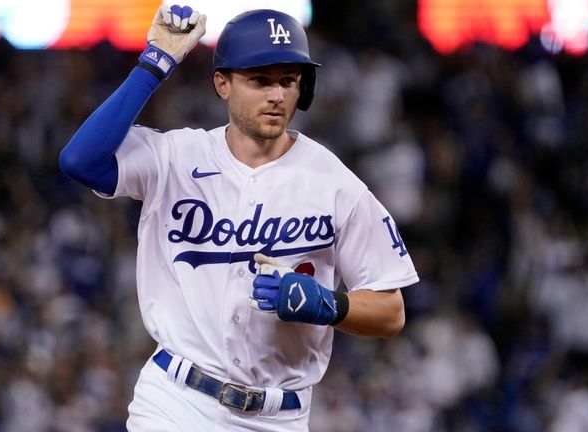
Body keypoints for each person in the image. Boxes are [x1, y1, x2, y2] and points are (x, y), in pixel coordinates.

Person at [59, 4, 419, 431]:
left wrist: (330, 305)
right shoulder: (175, 157)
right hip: (176, 402)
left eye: (288, 80)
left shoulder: (337, 186)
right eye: (259, 80)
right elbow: (80, 160)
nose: (277, 94)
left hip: (279, 416)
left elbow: (391, 312)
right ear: (222, 83)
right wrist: (154, 64)